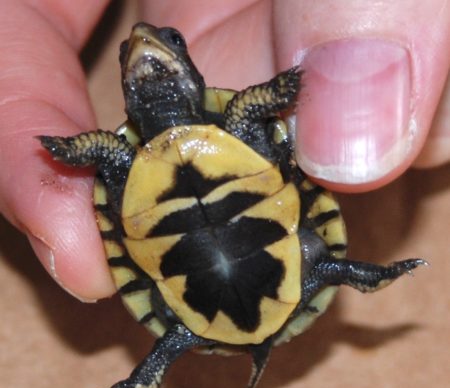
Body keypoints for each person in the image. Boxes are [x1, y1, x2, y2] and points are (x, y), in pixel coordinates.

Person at [0, 0, 448, 302]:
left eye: (171, 40)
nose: (142, 39)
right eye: (127, 51)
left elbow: (103, 154)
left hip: (231, 264)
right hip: (217, 275)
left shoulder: (131, 155)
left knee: (315, 254)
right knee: (316, 258)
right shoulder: (214, 129)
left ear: (189, 66)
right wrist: (281, 90)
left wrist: (71, 150)